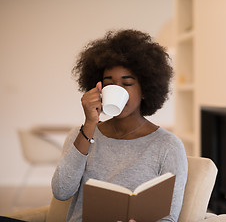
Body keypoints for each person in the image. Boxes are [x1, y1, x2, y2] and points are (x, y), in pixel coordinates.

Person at [51, 29, 188, 222]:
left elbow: (169, 217)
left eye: (127, 83)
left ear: (145, 90)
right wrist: (90, 123)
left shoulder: (168, 146)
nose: (117, 90)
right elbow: (61, 191)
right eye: (110, 84)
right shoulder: (81, 135)